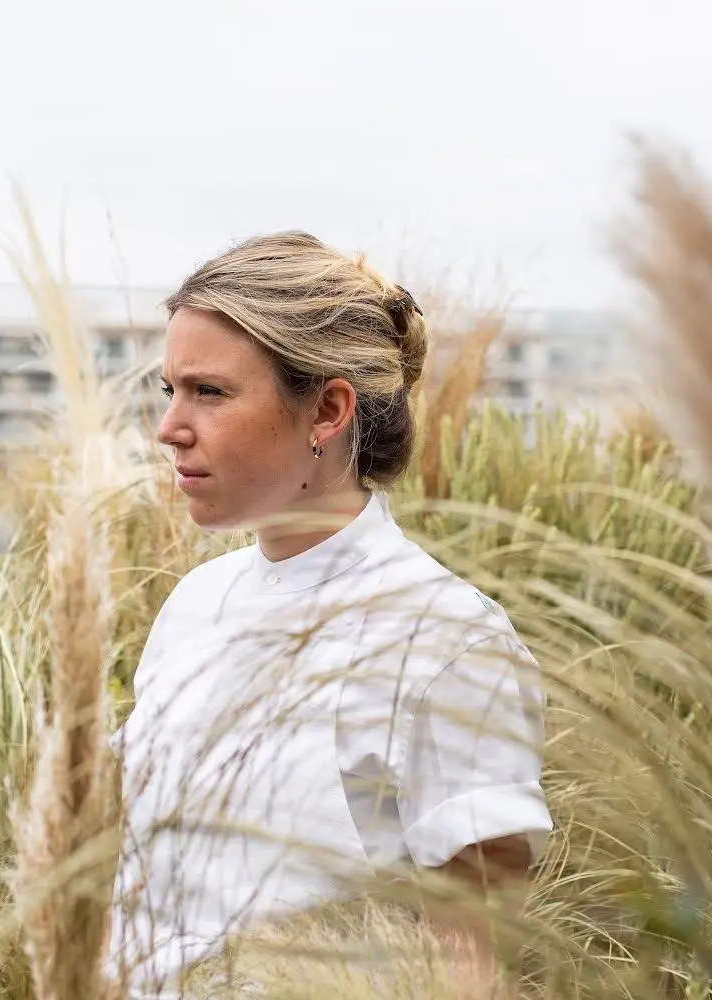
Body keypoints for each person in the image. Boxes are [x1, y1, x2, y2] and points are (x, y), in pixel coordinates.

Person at [107, 231, 552, 998]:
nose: (170, 427)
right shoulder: (193, 608)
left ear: (329, 410)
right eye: (168, 390)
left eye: (209, 392)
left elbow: (474, 963)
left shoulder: (444, 639)